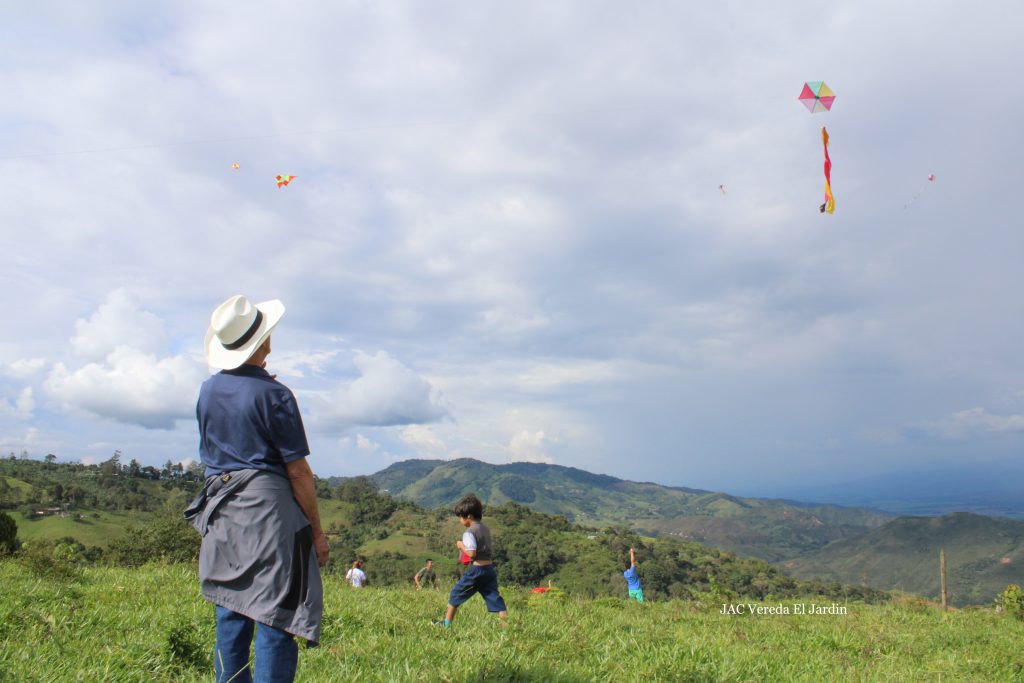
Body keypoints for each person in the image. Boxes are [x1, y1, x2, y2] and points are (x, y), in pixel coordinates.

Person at [185, 294, 329, 683]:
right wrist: (316, 532)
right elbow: (297, 472)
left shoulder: (207, 391)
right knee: (275, 614)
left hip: (222, 511)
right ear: (263, 340)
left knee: (230, 604)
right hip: (267, 514)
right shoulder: (275, 395)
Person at [433, 494, 508, 627]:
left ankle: (446, 624)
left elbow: (472, 553)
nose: (460, 521)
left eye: (461, 517)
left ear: (469, 516)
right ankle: (507, 627)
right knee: (495, 598)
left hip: (477, 570)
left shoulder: (469, 532)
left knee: (455, 594)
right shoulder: (485, 529)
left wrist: (461, 545)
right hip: (489, 569)